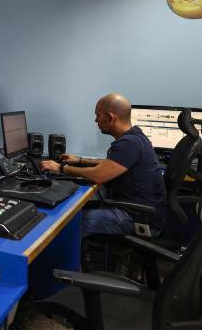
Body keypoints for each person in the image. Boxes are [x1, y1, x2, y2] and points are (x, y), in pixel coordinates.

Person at [41, 93, 166, 237]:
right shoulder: (135, 137)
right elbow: (113, 164)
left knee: (70, 223)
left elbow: (98, 175)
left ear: (110, 117)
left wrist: (60, 168)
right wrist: (80, 160)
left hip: (138, 218)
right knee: (78, 209)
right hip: (137, 209)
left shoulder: (129, 144)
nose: (96, 120)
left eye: (98, 115)